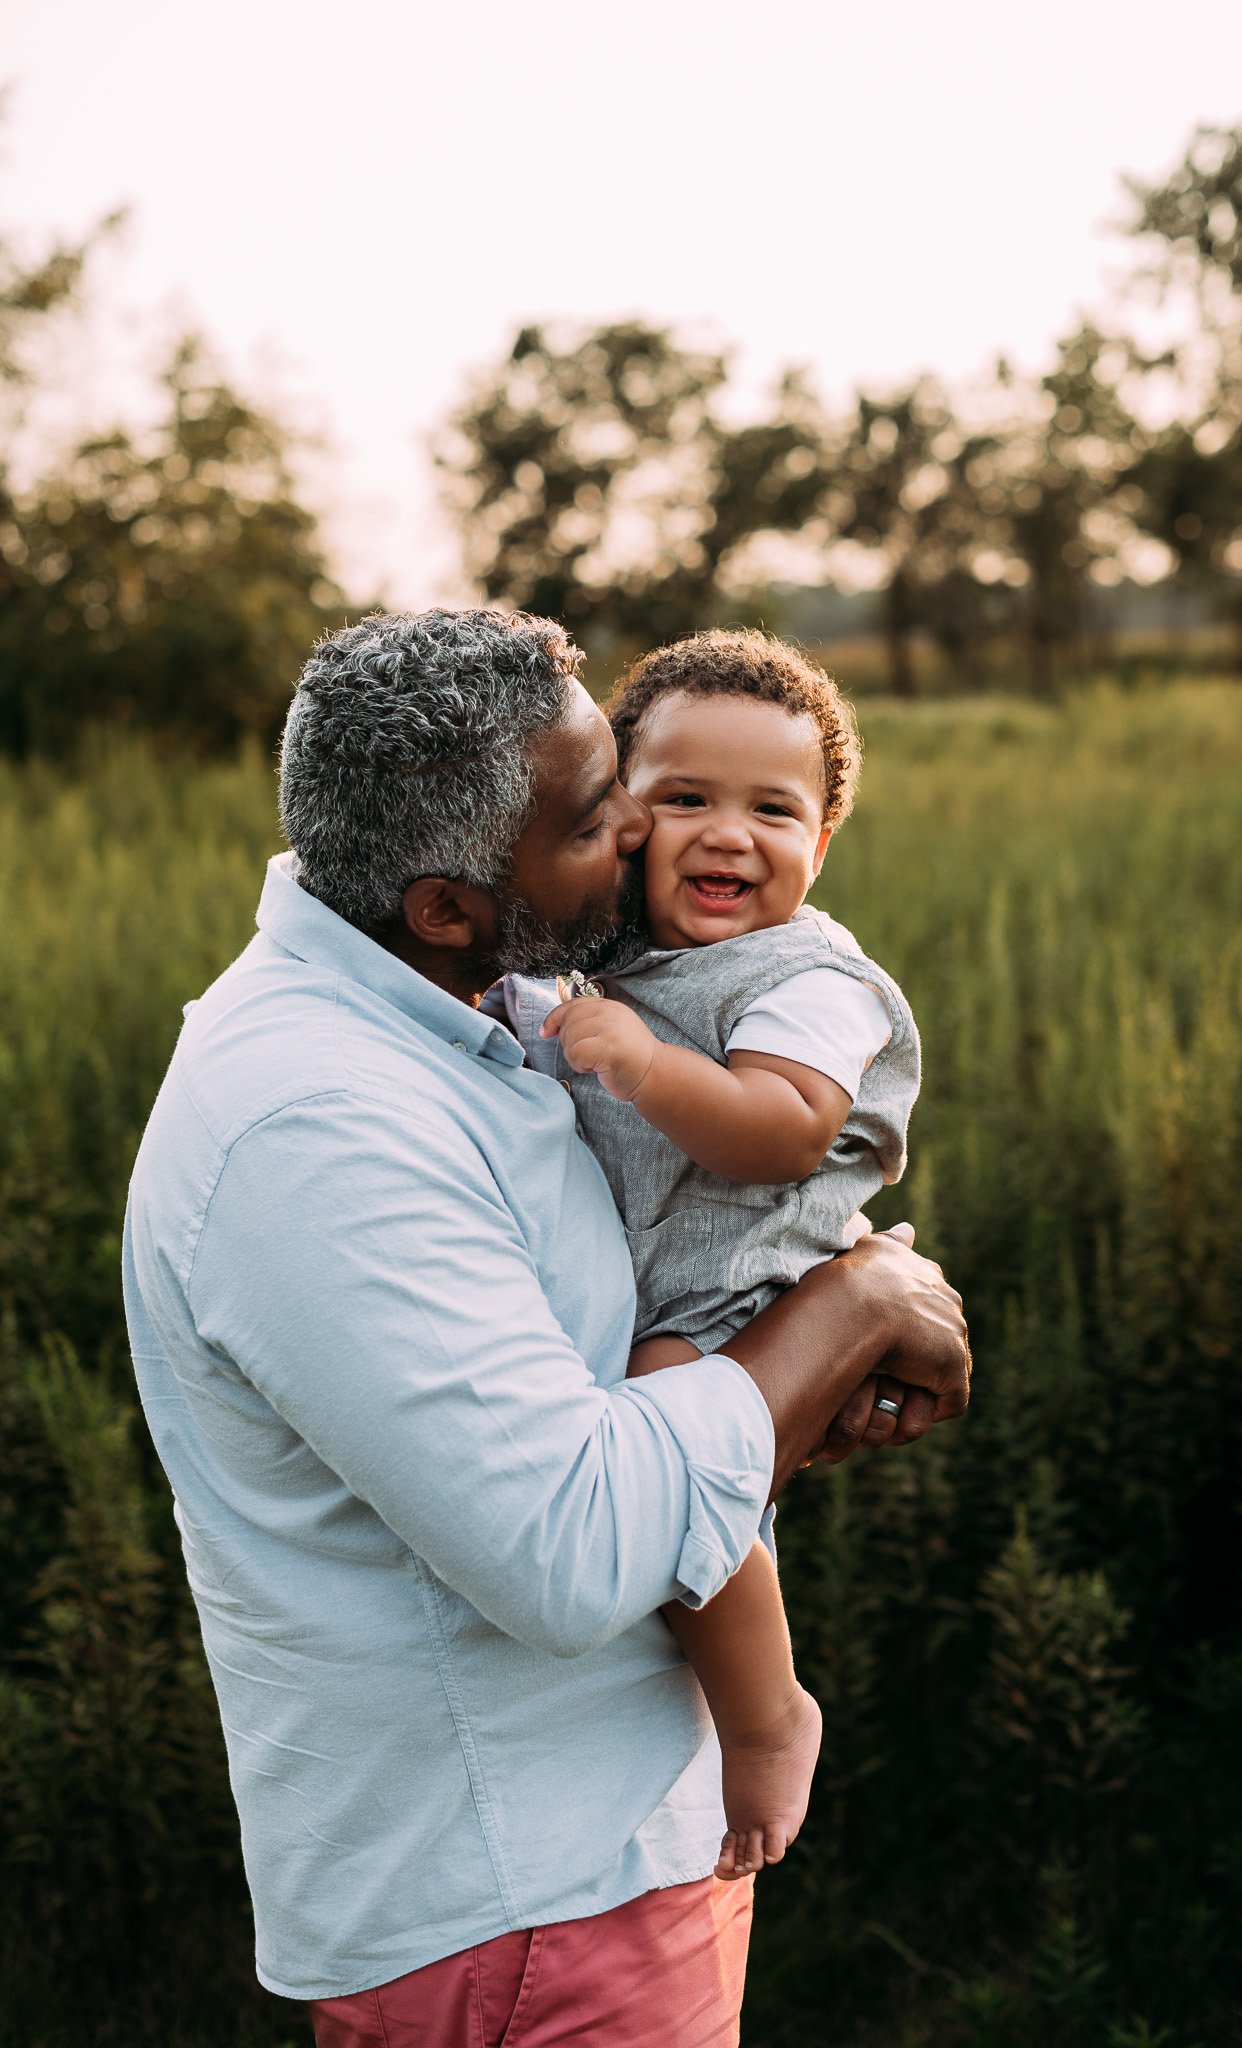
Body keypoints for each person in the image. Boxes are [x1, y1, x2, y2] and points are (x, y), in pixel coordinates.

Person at [122, 608, 971, 2048]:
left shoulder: (450, 985)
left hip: (597, 1853)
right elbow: (569, 1551)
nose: (641, 829)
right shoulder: (319, 1129)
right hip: (521, 1910)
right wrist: (850, 1307)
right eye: (601, 816)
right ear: (449, 900)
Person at [495, 629, 917, 1887]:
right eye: (683, 797)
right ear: (620, 812)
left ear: (823, 842)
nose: (726, 834)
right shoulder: (619, 952)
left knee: (674, 1412)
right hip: (657, 1270)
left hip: (741, 1286)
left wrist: (639, 1061)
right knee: (660, 1450)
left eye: (771, 809)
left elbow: (782, 1134)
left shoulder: (811, 978)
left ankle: (767, 1713)